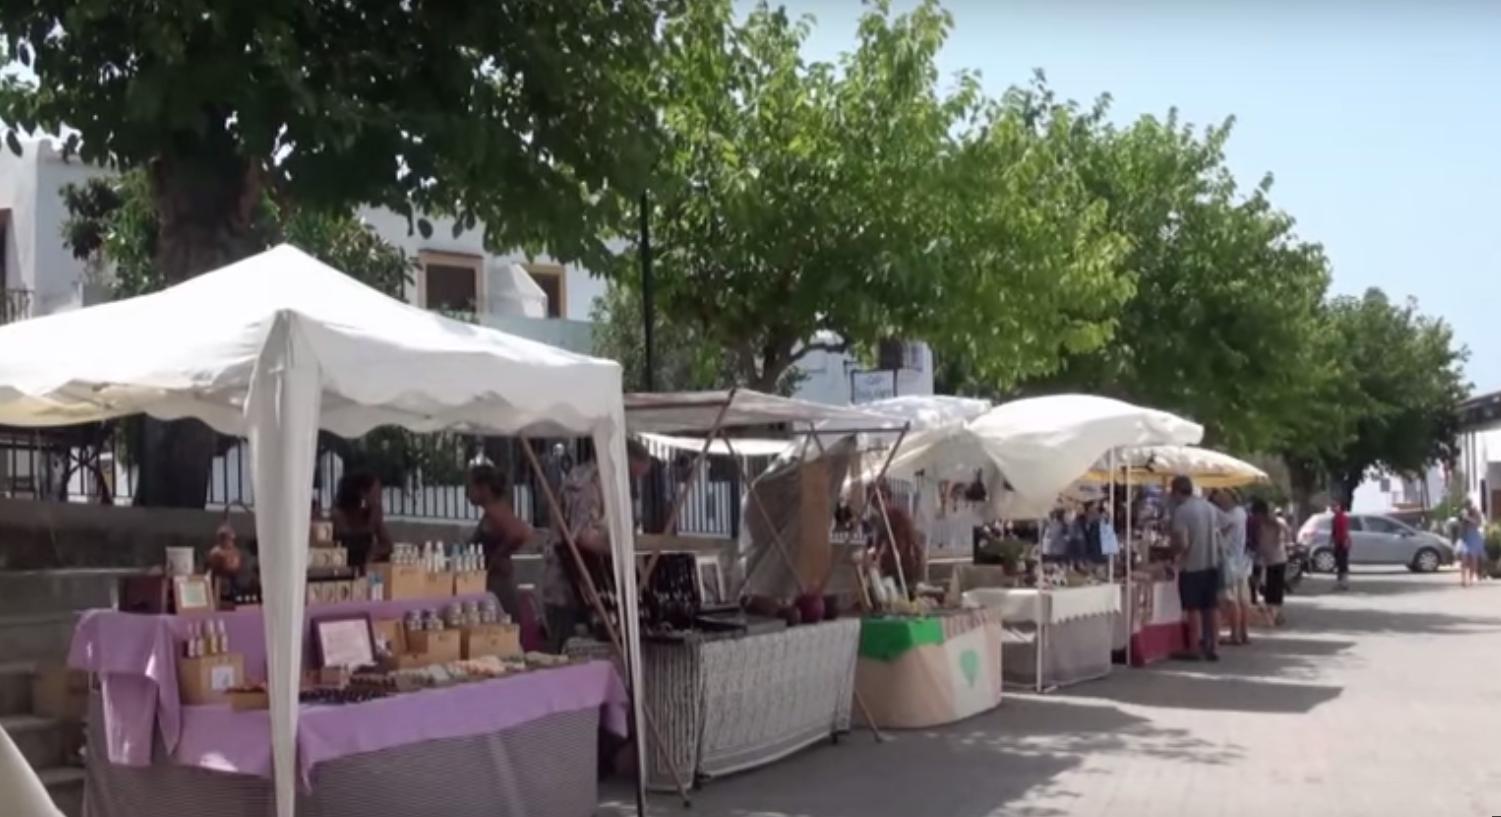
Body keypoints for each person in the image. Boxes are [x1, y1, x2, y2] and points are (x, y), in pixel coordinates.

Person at [542, 440, 654, 652]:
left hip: (594, 590)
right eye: (630, 473)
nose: (630, 481)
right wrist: (619, 546)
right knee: (571, 660)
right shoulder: (587, 484)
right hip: (568, 593)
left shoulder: (608, 484)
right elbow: (583, 535)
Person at [466, 464, 533, 620]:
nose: (467, 493)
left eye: (470, 486)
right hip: (493, 582)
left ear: (484, 488)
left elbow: (520, 532)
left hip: (499, 585)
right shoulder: (494, 512)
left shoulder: (496, 512)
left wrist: (499, 555)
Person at [1170, 475, 1222, 661]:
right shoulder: (1210, 508)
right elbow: (1218, 534)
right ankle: (1214, 645)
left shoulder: (1182, 511)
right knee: (1212, 606)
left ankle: (1195, 646)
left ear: (1176, 492)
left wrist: (1172, 553)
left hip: (1192, 565)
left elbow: (1183, 543)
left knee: (1193, 608)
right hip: (1212, 562)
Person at [1213, 489, 1253, 646]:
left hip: (1230, 560)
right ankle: (1243, 633)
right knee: (1242, 599)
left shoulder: (1232, 514)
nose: (1218, 499)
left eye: (1220, 496)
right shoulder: (1241, 513)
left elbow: (1224, 526)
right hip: (1240, 560)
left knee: (1232, 599)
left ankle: (1235, 634)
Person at [331, 472, 393, 568]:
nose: (380, 496)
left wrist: (372, 553)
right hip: (342, 565)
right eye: (376, 491)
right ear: (362, 493)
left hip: (366, 566)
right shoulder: (338, 515)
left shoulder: (373, 513)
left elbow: (387, 544)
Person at [871, 481, 922, 588]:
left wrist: (882, 564)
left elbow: (901, 546)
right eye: (874, 500)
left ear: (888, 497)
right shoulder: (883, 519)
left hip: (904, 569)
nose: (878, 503)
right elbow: (878, 545)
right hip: (896, 569)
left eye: (881, 498)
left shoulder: (897, 516)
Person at [1251, 500, 1289, 626]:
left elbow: (1283, 535)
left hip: (1277, 559)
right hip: (1269, 560)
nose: (1256, 517)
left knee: (1275, 588)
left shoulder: (1275, 523)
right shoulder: (1261, 524)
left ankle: (1275, 614)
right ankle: (1274, 614)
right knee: (1270, 589)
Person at [1459, 498, 1486, 587]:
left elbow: (1478, 523)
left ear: (1470, 505)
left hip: (1474, 537)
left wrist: (1468, 518)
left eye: (1468, 505)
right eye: (1465, 505)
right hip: (1465, 538)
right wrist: (1463, 518)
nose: (1466, 507)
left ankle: (1470, 579)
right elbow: (1460, 523)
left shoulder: (1476, 512)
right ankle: (1463, 580)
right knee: (1464, 559)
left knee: (1473, 560)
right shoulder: (1463, 512)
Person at [1331, 502, 1352, 590]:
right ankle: (1341, 582)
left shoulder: (1342, 518)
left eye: (1335, 507)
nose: (1334, 509)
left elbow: (1344, 531)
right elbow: (1334, 532)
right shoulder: (1335, 518)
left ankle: (1344, 583)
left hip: (1342, 543)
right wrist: (1332, 541)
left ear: (1339, 508)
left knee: (1343, 564)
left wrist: (1345, 542)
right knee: (1339, 563)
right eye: (1333, 507)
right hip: (1338, 543)